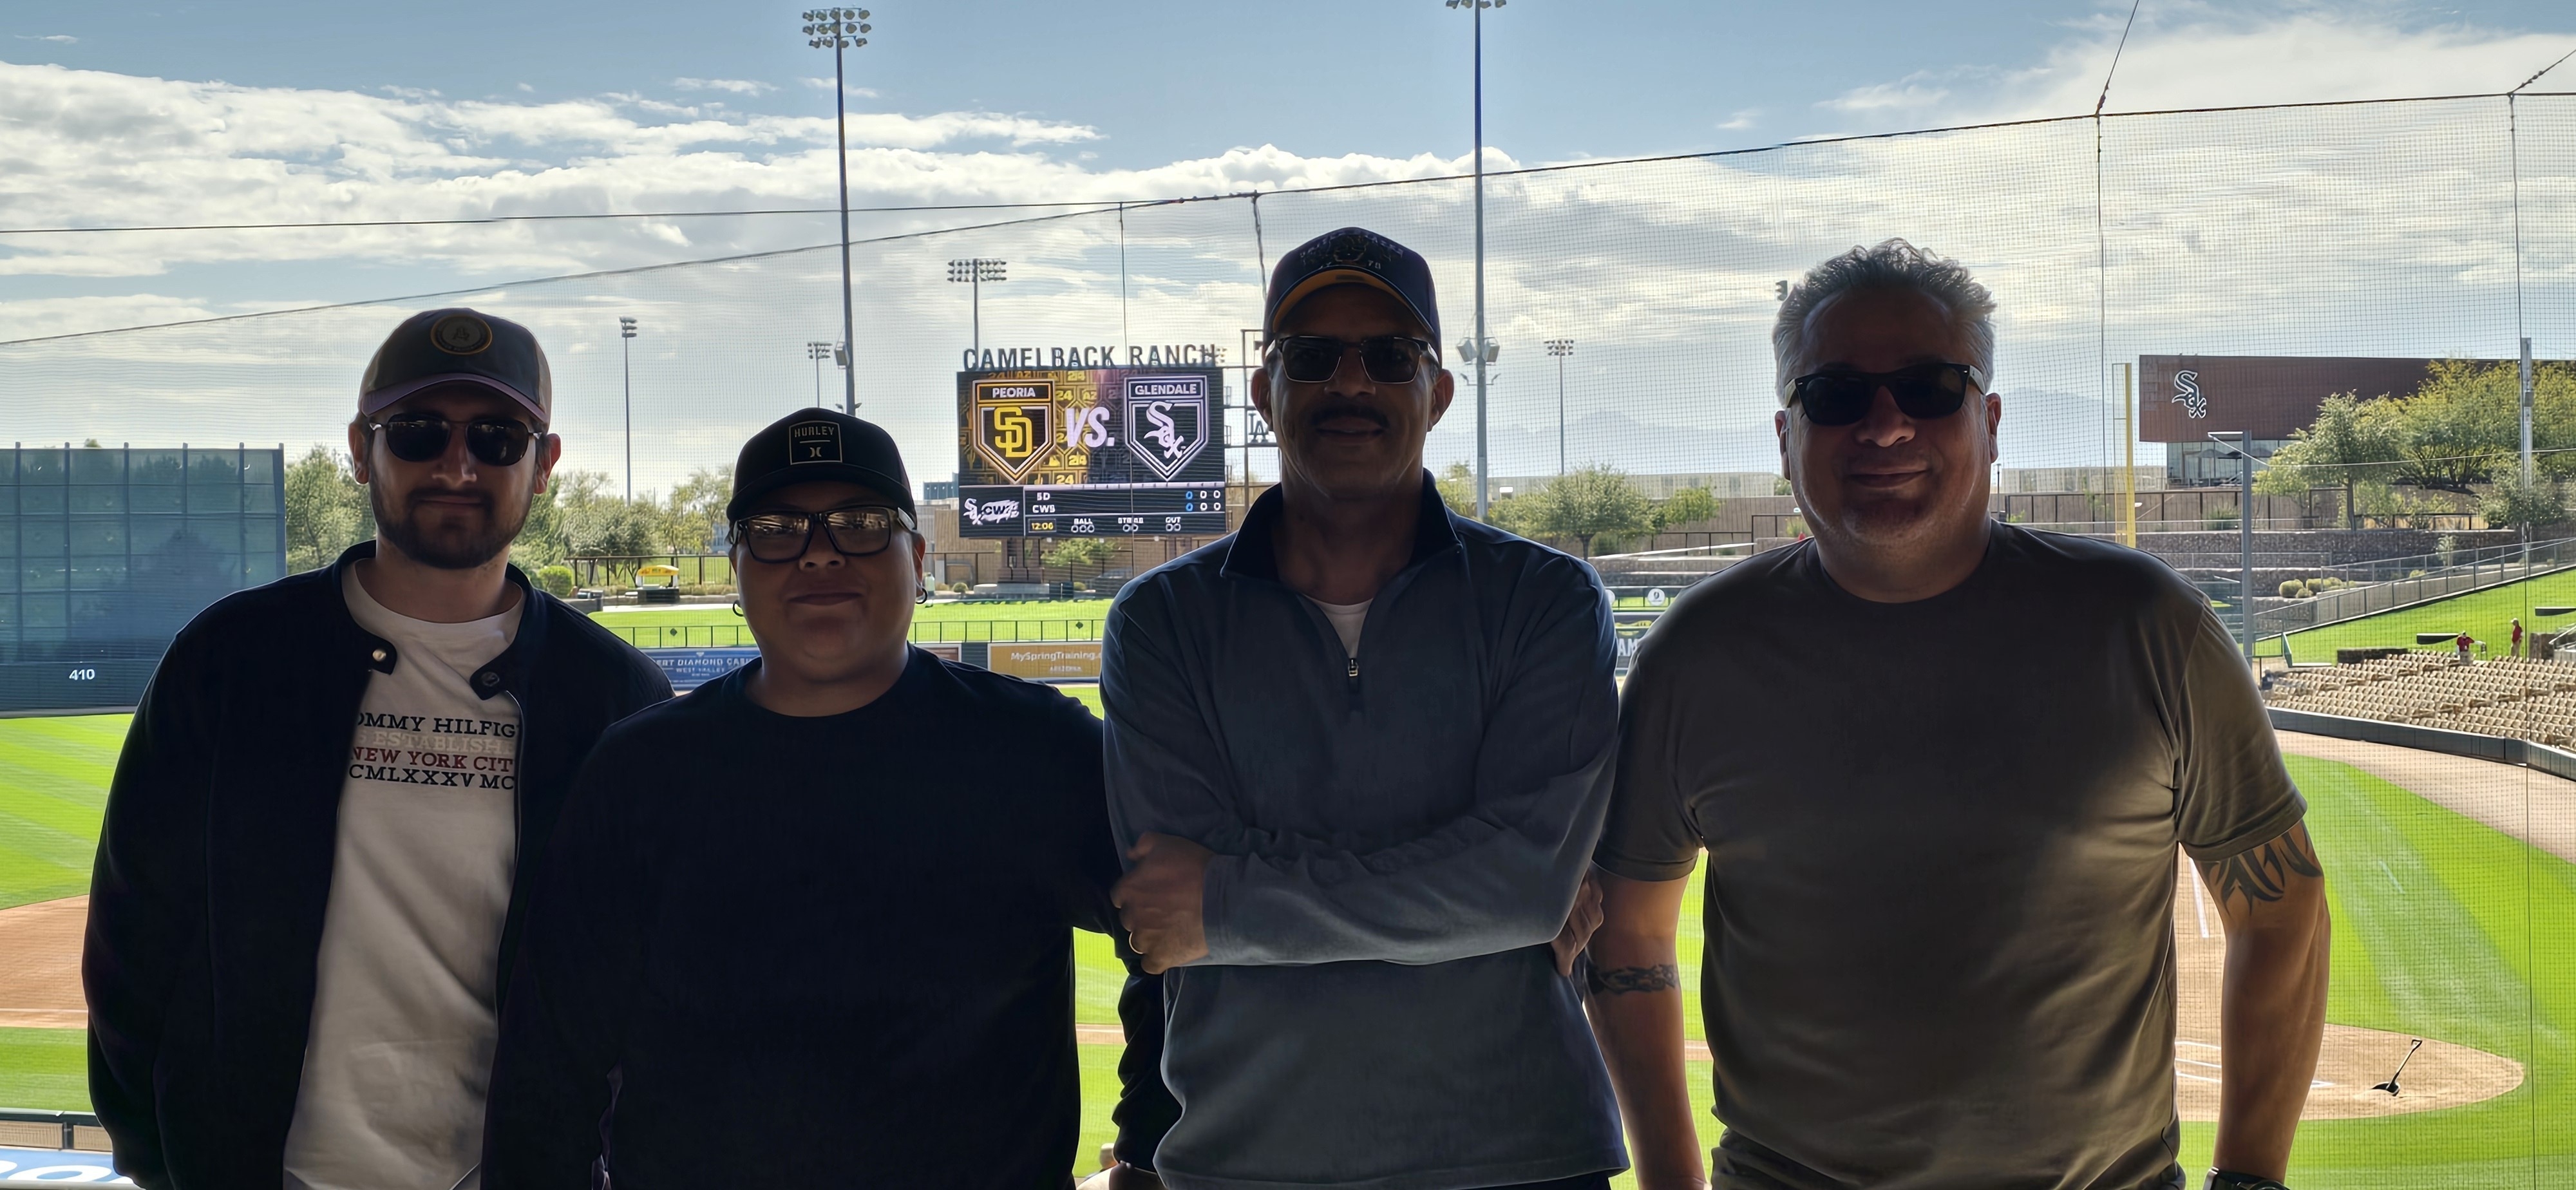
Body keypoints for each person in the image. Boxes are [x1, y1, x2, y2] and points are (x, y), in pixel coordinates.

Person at [1586, 240, 2329, 1190]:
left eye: (1931, 387)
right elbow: (1628, 932)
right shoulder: (1698, 654)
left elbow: (2281, 906)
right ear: (1784, 434)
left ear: (1990, 420)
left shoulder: (2146, 626)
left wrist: (2251, 1180)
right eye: (1835, 394)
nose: (1885, 424)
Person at [481, 409, 1176, 1189]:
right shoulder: (639, 771)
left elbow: (1177, 946)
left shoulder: (1036, 748)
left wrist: (1151, 1149)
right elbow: (550, 1061)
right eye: (777, 530)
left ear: (919, 558)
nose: (819, 553)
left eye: (861, 524)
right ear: (736, 569)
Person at [84, 308, 673, 1190]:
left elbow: (648, 980)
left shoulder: (614, 697)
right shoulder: (231, 662)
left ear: (545, 465)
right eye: (419, 431)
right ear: (362, 450)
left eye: (498, 438)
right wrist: (162, 1163)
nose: (458, 465)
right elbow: (133, 934)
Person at [1104, 227, 1624, 1190]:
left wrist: (1227, 903)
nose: (1350, 381)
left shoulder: (1545, 599)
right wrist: (1466, 890)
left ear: (1439, 392)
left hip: (1523, 1157)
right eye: (1311, 356)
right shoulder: (1162, 621)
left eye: (1390, 355)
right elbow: (1165, 890)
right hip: (1244, 1159)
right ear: (1264, 392)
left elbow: (1520, 888)